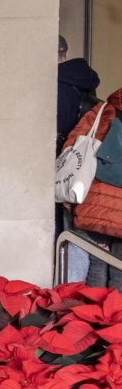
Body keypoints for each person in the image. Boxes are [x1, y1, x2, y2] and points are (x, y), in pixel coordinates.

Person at [63, 88, 122, 289]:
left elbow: (72, 148)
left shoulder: (103, 109)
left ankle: (89, 317)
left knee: (97, 259)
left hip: (93, 203)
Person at [57, 35, 99, 155]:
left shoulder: (55, 85)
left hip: (58, 155)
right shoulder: (85, 79)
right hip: (80, 155)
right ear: (67, 53)